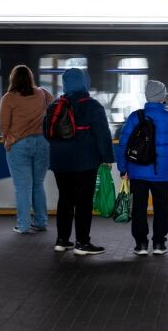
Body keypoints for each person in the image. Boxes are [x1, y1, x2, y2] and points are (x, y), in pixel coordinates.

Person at [45, 68, 114, 255]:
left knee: (65, 199)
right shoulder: (92, 106)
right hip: (85, 163)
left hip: (60, 163)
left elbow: (46, 133)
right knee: (83, 202)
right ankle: (82, 243)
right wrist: (107, 158)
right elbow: (103, 135)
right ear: (85, 82)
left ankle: (62, 240)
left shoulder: (54, 106)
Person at [116, 80, 168, 256]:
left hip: (137, 171)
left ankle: (140, 244)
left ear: (147, 96)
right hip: (162, 173)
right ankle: (159, 244)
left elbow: (123, 145)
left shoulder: (135, 117)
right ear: (163, 97)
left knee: (139, 207)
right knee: (162, 207)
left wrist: (123, 169)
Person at [0, 65, 53, 234]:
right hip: (43, 143)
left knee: (23, 187)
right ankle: (41, 222)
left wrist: (8, 139)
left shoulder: (9, 98)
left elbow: (4, 124)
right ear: (30, 77)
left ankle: (23, 225)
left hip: (19, 145)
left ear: (12, 79)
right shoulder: (42, 93)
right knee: (38, 184)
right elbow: (54, 111)